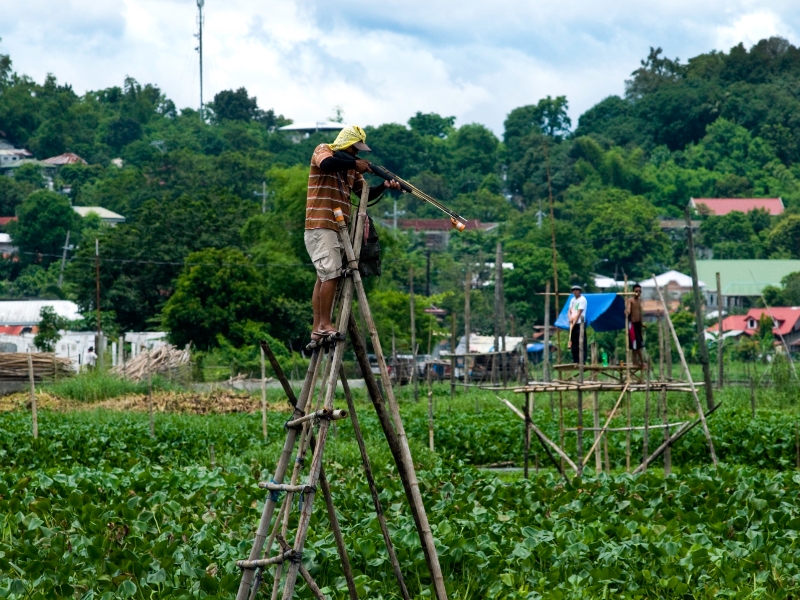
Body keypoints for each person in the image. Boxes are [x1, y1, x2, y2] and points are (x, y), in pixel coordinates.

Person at [305, 125, 401, 344]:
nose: (357, 154)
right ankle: (324, 325)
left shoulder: (351, 170)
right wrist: (354, 164)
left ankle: (318, 327)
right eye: (354, 149)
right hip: (321, 224)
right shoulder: (324, 150)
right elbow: (328, 163)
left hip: (338, 227)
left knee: (326, 275)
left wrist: (385, 185)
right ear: (345, 144)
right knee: (330, 273)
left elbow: (364, 194)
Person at [568, 285, 587, 364]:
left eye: (577, 290)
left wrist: (574, 322)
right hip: (573, 323)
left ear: (580, 291)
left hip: (580, 323)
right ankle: (575, 360)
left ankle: (582, 360)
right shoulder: (572, 299)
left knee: (581, 341)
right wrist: (570, 319)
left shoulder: (582, 299)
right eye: (574, 290)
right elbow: (569, 310)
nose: (575, 291)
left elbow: (579, 312)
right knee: (573, 342)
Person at [626, 283, 644, 366]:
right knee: (635, 344)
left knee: (638, 344)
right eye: (636, 291)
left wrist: (641, 324)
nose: (638, 293)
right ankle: (641, 362)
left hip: (638, 324)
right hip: (632, 324)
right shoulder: (630, 300)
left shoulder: (639, 301)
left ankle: (635, 360)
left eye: (639, 291)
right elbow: (628, 308)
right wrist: (627, 312)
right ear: (633, 292)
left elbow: (639, 313)